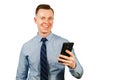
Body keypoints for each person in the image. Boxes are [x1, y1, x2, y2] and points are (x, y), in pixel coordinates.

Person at [16, 4, 83, 80]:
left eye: (50, 18)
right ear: (35, 20)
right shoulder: (26, 47)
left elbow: (79, 74)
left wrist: (73, 65)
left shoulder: (63, 44)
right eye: (42, 18)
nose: (46, 22)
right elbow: (20, 77)